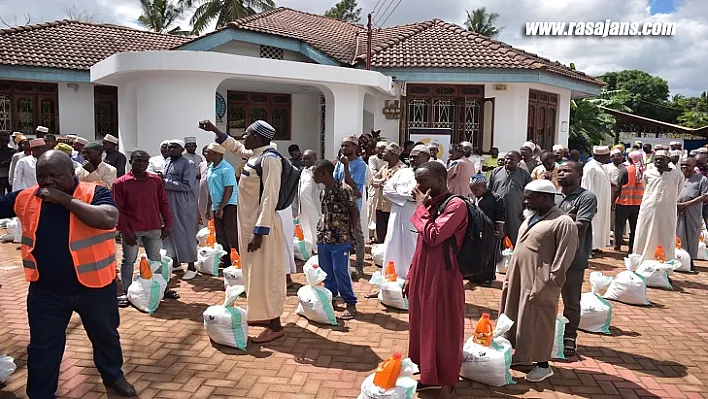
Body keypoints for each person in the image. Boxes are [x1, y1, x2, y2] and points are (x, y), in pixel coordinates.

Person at [0, 150, 135, 398]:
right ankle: (40, 393)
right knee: (43, 347)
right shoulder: (26, 197)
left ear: (72, 174)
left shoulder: (95, 192)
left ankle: (113, 376)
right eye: (43, 177)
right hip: (46, 292)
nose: (48, 182)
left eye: (55, 176)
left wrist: (64, 199)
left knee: (106, 338)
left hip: (95, 288)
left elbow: (109, 218)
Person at [200, 119, 286, 343]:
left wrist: (260, 231)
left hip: (261, 229)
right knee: (253, 274)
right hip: (249, 226)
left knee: (266, 275)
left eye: (246, 135)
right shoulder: (256, 155)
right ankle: (264, 316)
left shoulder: (270, 160)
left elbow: (270, 197)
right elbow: (236, 148)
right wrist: (214, 130)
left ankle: (275, 325)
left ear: (257, 138)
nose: (243, 139)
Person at [499, 179, 579, 382]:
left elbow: (563, 258)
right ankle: (522, 357)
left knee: (539, 322)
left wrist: (550, 284)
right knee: (517, 316)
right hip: (518, 277)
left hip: (540, 282)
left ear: (545, 198)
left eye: (529, 198)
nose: (525, 202)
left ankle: (543, 365)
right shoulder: (532, 216)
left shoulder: (563, 223)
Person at [401, 161, 467, 398]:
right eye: (417, 180)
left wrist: (420, 207)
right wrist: (410, 275)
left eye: (422, 181)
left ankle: (448, 382)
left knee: (444, 328)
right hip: (423, 273)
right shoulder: (432, 204)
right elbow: (421, 245)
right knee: (423, 327)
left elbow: (434, 235)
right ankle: (429, 376)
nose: (417, 186)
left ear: (440, 180)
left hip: (443, 277)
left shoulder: (456, 205)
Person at [113, 150, 175, 307]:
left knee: (156, 260)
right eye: (138, 161)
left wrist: (168, 224)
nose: (141, 164)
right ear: (130, 161)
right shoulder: (120, 183)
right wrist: (125, 231)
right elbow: (118, 209)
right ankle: (127, 292)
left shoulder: (155, 181)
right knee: (129, 261)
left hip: (154, 228)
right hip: (132, 230)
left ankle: (160, 289)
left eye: (144, 162)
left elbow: (164, 202)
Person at [557, 161, 597, 358]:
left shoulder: (586, 197)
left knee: (571, 300)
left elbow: (580, 225)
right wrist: (566, 218)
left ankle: (569, 336)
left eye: (567, 171)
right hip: (550, 256)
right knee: (544, 298)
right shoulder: (553, 195)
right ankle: (550, 334)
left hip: (573, 257)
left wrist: (555, 222)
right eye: (560, 171)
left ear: (579, 175)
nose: (561, 173)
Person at [312, 159, 359, 319]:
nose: (313, 177)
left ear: (325, 173)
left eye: (315, 173)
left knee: (340, 270)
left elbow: (354, 212)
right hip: (324, 237)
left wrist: (351, 234)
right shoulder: (323, 191)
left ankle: (350, 302)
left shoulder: (344, 189)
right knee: (326, 271)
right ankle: (331, 297)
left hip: (341, 237)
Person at [380, 144, 429, 284]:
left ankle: (412, 281)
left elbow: (425, 197)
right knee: (392, 244)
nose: (412, 159)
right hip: (396, 216)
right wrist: (407, 197)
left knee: (411, 247)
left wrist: (408, 198)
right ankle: (390, 279)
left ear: (426, 158)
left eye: (416, 157)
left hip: (415, 216)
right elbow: (387, 190)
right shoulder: (402, 172)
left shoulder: (430, 174)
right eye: (411, 156)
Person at [633, 150, 684, 263]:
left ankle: (665, 264)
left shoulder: (677, 175)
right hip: (648, 210)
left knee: (666, 236)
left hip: (667, 211)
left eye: (661, 159)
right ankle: (641, 262)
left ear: (668, 161)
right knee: (645, 234)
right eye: (656, 159)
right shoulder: (648, 173)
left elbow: (678, 191)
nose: (658, 161)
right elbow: (646, 188)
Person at [162, 139, 199, 279]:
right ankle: (176, 262)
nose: (170, 149)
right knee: (169, 232)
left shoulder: (188, 164)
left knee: (185, 232)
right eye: (169, 147)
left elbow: (187, 185)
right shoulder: (167, 162)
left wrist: (164, 182)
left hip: (182, 203)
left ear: (182, 149)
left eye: (174, 147)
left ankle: (191, 266)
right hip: (167, 201)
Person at [335, 135, 367, 279]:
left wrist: (346, 166)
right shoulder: (340, 163)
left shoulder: (360, 165)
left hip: (353, 206)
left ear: (355, 147)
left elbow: (353, 185)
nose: (343, 148)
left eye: (347, 146)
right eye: (342, 145)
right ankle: (343, 267)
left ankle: (359, 266)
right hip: (340, 204)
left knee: (357, 235)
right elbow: (336, 181)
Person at [203, 143, 239, 267]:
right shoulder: (212, 167)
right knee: (220, 234)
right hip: (217, 206)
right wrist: (209, 207)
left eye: (208, 152)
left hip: (228, 205)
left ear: (216, 154)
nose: (205, 154)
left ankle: (236, 259)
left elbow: (229, 189)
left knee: (231, 233)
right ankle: (226, 259)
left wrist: (222, 208)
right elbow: (211, 189)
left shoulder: (226, 168)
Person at [488, 150, 532, 245]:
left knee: (515, 236)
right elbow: (489, 190)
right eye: (507, 159)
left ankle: (514, 258)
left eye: (512, 159)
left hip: (515, 211)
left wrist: (526, 211)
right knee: (496, 236)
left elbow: (530, 196)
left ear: (518, 161)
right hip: (497, 211)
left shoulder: (524, 175)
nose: (508, 161)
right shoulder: (496, 172)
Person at [469, 172, 505, 286]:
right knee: (475, 253)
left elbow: (500, 215)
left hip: (490, 231)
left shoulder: (495, 198)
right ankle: (474, 275)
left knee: (489, 254)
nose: (474, 191)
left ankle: (487, 278)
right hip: (475, 231)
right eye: (472, 189)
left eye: (476, 189)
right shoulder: (473, 197)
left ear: (484, 187)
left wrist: (499, 230)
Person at [676, 157, 708, 272]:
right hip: (676, 210)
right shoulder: (678, 177)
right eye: (683, 165)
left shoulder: (702, 179)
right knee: (678, 235)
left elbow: (705, 196)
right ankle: (678, 259)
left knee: (691, 236)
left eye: (687, 165)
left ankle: (690, 261)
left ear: (694, 166)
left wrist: (686, 204)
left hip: (692, 211)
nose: (684, 167)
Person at [371, 143, 406, 243]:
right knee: (381, 234)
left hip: (394, 207)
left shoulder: (402, 169)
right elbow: (373, 181)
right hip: (381, 206)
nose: (382, 153)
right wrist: (382, 181)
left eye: (385, 152)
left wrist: (382, 182)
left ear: (392, 154)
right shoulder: (384, 168)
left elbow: (395, 186)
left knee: (392, 237)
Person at [581, 146, 612, 251]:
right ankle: (589, 247)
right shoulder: (590, 167)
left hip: (602, 202)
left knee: (599, 224)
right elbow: (587, 186)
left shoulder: (601, 166)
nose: (609, 158)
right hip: (595, 202)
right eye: (607, 156)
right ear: (600, 156)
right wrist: (590, 203)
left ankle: (595, 246)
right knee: (593, 223)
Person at [614, 151, 644, 253]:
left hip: (623, 202)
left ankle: (617, 245)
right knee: (635, 227)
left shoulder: (625, 170)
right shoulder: (644, 171)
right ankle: (632, 247)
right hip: (638, 204)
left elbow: (618, 187)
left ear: (630, 159)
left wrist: (612, 201)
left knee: (619, 225)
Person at [298, 149, 322, 251]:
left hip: (314, 204)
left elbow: (321, 187)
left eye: (308, 158)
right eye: (303, 158)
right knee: (305, 225)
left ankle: (318, 248)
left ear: (315, 159)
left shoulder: (317, 171)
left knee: (315, 224)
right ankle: (310, 246)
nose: (305, 160)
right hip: (304, 205)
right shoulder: (304, 171)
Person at [197, 146, 210, 227]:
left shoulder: (216, 164)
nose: (207, 154)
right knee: (202, 207)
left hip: (211, 190)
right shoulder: (201, 164)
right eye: (206, 152)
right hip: (202, 191)